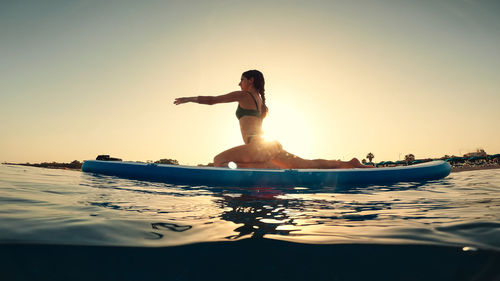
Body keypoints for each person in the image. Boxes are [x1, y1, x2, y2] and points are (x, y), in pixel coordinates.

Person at [174, 70, 371, 169]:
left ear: (250, 81)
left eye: (242, 79)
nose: (239, 83)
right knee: (306, 164)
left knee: (218, 161)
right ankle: (347, 163)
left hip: (258, 147)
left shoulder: (245, 96)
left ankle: (266, 168)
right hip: (267, 145)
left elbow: (212, 101)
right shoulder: (260, 101)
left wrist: (188, 99)